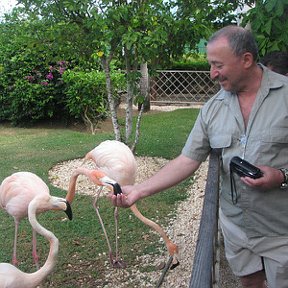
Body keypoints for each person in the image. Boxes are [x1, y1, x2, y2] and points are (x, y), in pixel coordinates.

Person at [110, 25, 288, 288]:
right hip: (237, 228)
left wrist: (282, 176)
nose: (212, 74)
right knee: (249, 282)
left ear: (246, 60)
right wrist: (139, 190)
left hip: (281, 230)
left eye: (218, 65)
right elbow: (187, 160)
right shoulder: (212, 109)